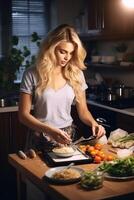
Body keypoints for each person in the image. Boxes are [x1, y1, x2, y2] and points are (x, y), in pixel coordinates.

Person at [19, 24, 106, 152]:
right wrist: (49, 130)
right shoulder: (32, 73)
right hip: (40, 134)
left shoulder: (76, 74)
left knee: (68, 172)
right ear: (50, 48)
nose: (67, 57)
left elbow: (83, 112)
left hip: (67, 136)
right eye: (62, 52)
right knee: (38, 171)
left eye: (71, 53)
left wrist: (94, 123)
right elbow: (23, 115)